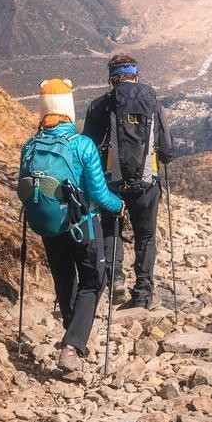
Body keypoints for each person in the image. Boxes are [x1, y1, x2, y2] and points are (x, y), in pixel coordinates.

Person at [17, 77, 123, 376]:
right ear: (68, 109)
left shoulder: (30, 146)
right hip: (83, 225)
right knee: (93, 281)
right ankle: (72, 346)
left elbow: (21, 189)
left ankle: (72, 331)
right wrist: (119, 206)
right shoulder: (81, 145)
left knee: (64, 280)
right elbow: (100, 194)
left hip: (49, 226)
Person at [83, 52, 175, 310]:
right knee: (145, 237)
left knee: (111, 229)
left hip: (112, 183)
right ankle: (144, 292)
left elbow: (88, 147)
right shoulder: (154, 103)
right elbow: (167, 150)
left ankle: (116, 281)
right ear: (136, 74)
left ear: (111, 78)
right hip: (147, 185)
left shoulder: (99, 105)